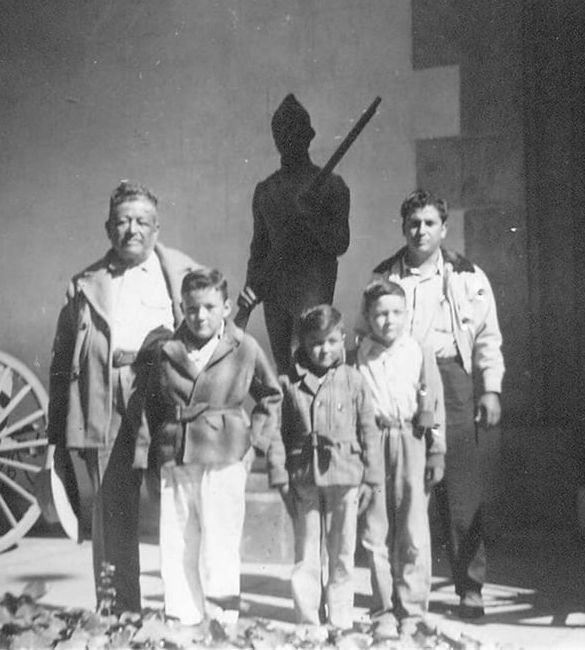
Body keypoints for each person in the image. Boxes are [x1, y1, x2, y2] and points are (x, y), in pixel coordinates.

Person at [48, 181, 199, 615]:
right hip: (105, 399)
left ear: (157, 228)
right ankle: (119, 615)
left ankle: (185, 612)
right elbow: (61, 361)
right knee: (112, 510)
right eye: (122, 221)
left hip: (164, 398)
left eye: (141, 221)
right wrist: (57, 430)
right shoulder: (84, 284)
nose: (131, 229)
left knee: (178, 505)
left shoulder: (185, 273)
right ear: (107, 228)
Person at [367, 188, 504, 619]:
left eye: (429, 223)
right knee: (402, 488)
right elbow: (363, 336)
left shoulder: (468, 276)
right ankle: (399, 593)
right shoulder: (384, 277)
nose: (420, 230)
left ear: (443, 229)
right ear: (403, 227)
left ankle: (471, 587)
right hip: (402, 381)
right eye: (413, 223)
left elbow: (487, 337)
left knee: (461, 487)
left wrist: (490, 388)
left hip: (452, 379)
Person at [140, 268, 281, 629]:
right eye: (191, 309)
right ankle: (183, 617)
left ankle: (221, 620)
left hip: (224, 452)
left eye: (209, 307)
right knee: (178, 540)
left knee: (220, 541)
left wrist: (256, 442)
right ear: (181, 308)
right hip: (177, 452)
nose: (200, 316)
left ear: (226, 306)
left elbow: (271, 395)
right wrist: (158, 449)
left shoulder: (242, 346)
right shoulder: (167, 350)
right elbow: (153, 405)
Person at [268, 304, 381, 634]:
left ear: (343, 338)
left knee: (342, 552)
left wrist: (371, 476)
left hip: (346, 476)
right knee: (307, 553)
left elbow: (368, 430)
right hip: (304, 477)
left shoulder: (354, 380)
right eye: (315, 342)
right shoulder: (288, 384)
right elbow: (276, 432)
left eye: (332, 341)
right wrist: (278, 474)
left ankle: (340, 620)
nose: (324, 349)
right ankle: (308, 622)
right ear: (302, 343)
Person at [356, 280, 446, 641]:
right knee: (375, 532)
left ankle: (412, 611)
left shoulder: (418, 352)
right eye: (379, 313)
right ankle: (382, 611)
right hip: (373, 444)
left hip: (412, 441)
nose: (388, 320)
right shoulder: (358, 354)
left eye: (395, 312)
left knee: (412, 529)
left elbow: (434, 405)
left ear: (406, 314)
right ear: (367, 317)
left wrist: (437, 451)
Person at [237, 93, 350, 373]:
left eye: (296, 133)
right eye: (282, 134)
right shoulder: (266, 190)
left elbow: (340, 242)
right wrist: (251, 291)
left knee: (315, 366)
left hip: (313, 290)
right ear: (275, 139)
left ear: (309, 136)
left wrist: (311, 215)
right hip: (275, 293)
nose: (288, 140)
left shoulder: (331, 186)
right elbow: (259, 250)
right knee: (284, 372)